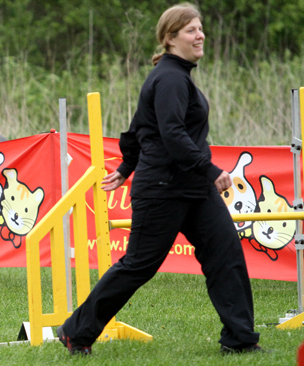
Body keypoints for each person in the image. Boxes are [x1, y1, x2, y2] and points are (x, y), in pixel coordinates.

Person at [57, 2, 262, 356]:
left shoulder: (175, 76)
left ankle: (240, 339)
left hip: (192, 188)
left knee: (225, 254)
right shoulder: (168, 78)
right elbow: (171, 134)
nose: (200, 35)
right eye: (190, 30)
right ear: (170, 38)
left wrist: (125, 167)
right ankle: (76, 331)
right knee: (139, 266)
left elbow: (138, 129)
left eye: (200, 28)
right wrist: (211, 170)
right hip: (164, 189)